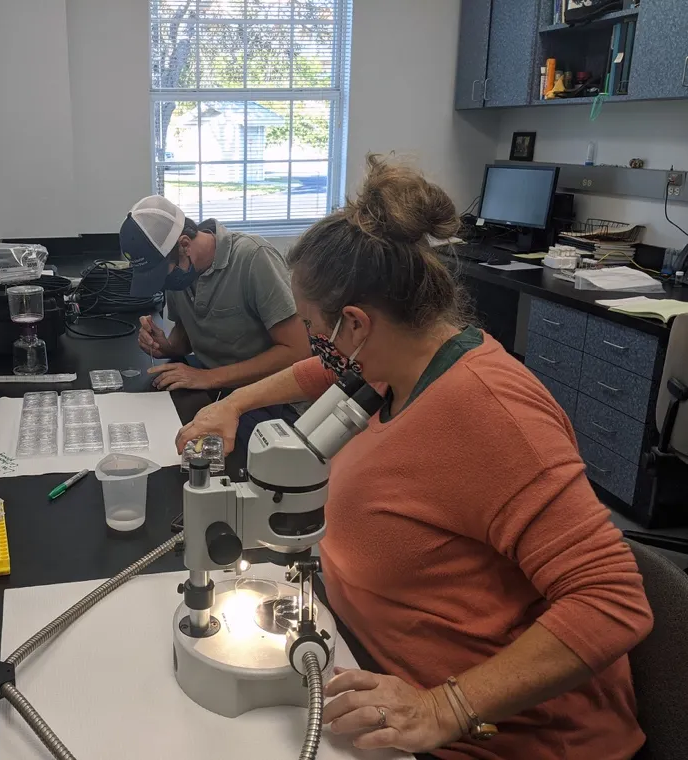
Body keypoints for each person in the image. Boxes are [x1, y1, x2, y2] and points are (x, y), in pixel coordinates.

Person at [175, 155, 654, 760]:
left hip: (506, 740)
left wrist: (444, 706)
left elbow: (612, 601)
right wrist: (234, 404)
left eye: (316, 328)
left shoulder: (490, 412)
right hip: (366, 666)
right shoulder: (398, 364)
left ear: (356, 324)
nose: (321, 348)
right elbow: (316, 367)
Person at [120, 195, 310, 394]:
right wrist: (166, 347)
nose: (163, 283)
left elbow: (298, 351)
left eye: (161, 274)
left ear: (184, 245)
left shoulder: (253, 258)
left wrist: (209, 377)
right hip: (213, 386)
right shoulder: (181, 271)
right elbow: (185, 335)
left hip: (266, 393)